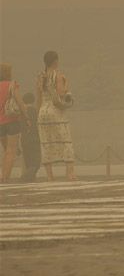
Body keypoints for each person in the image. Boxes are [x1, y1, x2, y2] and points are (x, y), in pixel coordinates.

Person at [36, 51, 76, 182]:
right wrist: (66, 83)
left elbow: (39, 97)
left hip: (43, 112)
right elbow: (61, 93)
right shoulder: (57, 75)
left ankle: (50, 176)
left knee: (46, 142)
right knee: (65, 140)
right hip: (55, 111)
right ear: (55, 61)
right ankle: (70, 174)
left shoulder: (40, 76)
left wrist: (37, 114)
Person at [0, 64, 30, 183]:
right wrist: (26, 117)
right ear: (8, 73)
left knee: (6, 150)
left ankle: (3, 175)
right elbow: (20, 102)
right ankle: (5, 177)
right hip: (12, 121)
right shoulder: (12, 85)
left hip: (0, 123)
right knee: (11, 150)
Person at [18, 93, 41, 182]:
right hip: (34, 138)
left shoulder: (21, 112)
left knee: (28, 160)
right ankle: (25, 178)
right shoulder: (34, 111)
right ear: (33, 100)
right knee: (36, 162)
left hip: (24, 139)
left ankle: (30, 178)